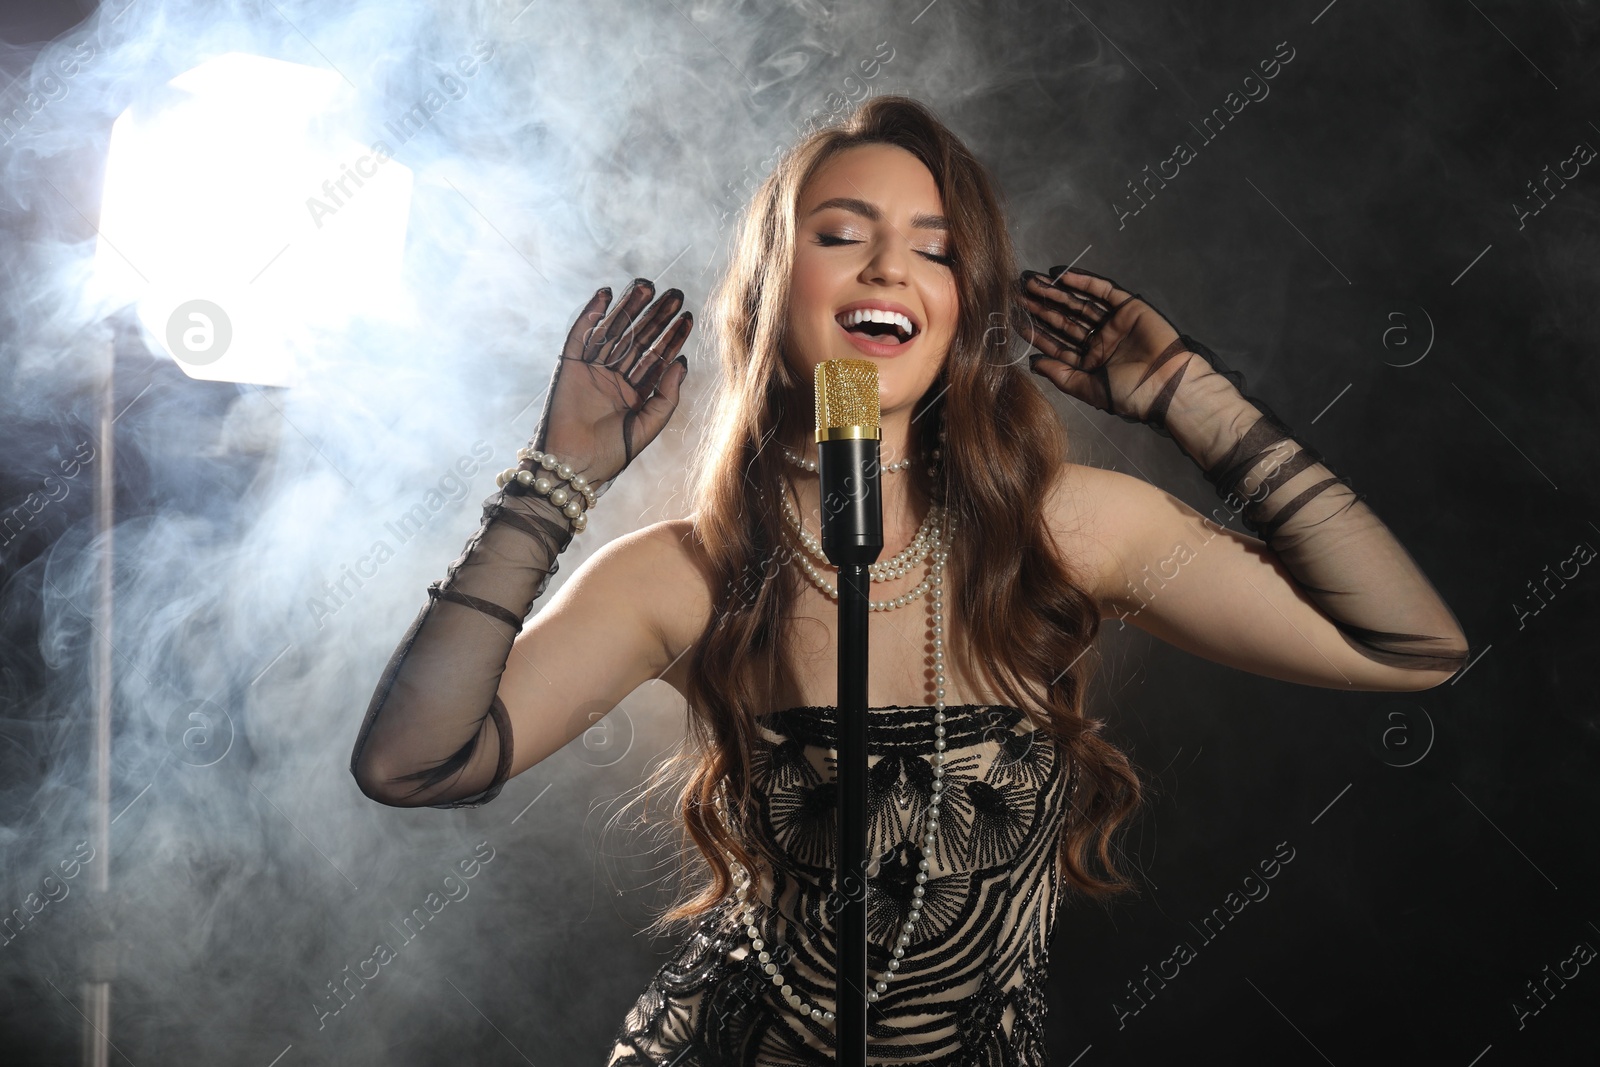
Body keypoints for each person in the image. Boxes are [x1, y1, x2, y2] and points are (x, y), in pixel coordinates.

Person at [347, 95, 1469, 1065]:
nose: (888, 265)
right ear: (773, 294)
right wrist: (555, 482)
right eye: (843, 234)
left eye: (932, 247)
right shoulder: (686, 571)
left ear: (961, 309)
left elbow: (1410, 647)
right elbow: (412, 761)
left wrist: (1189, 394)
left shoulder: (1071, 528)